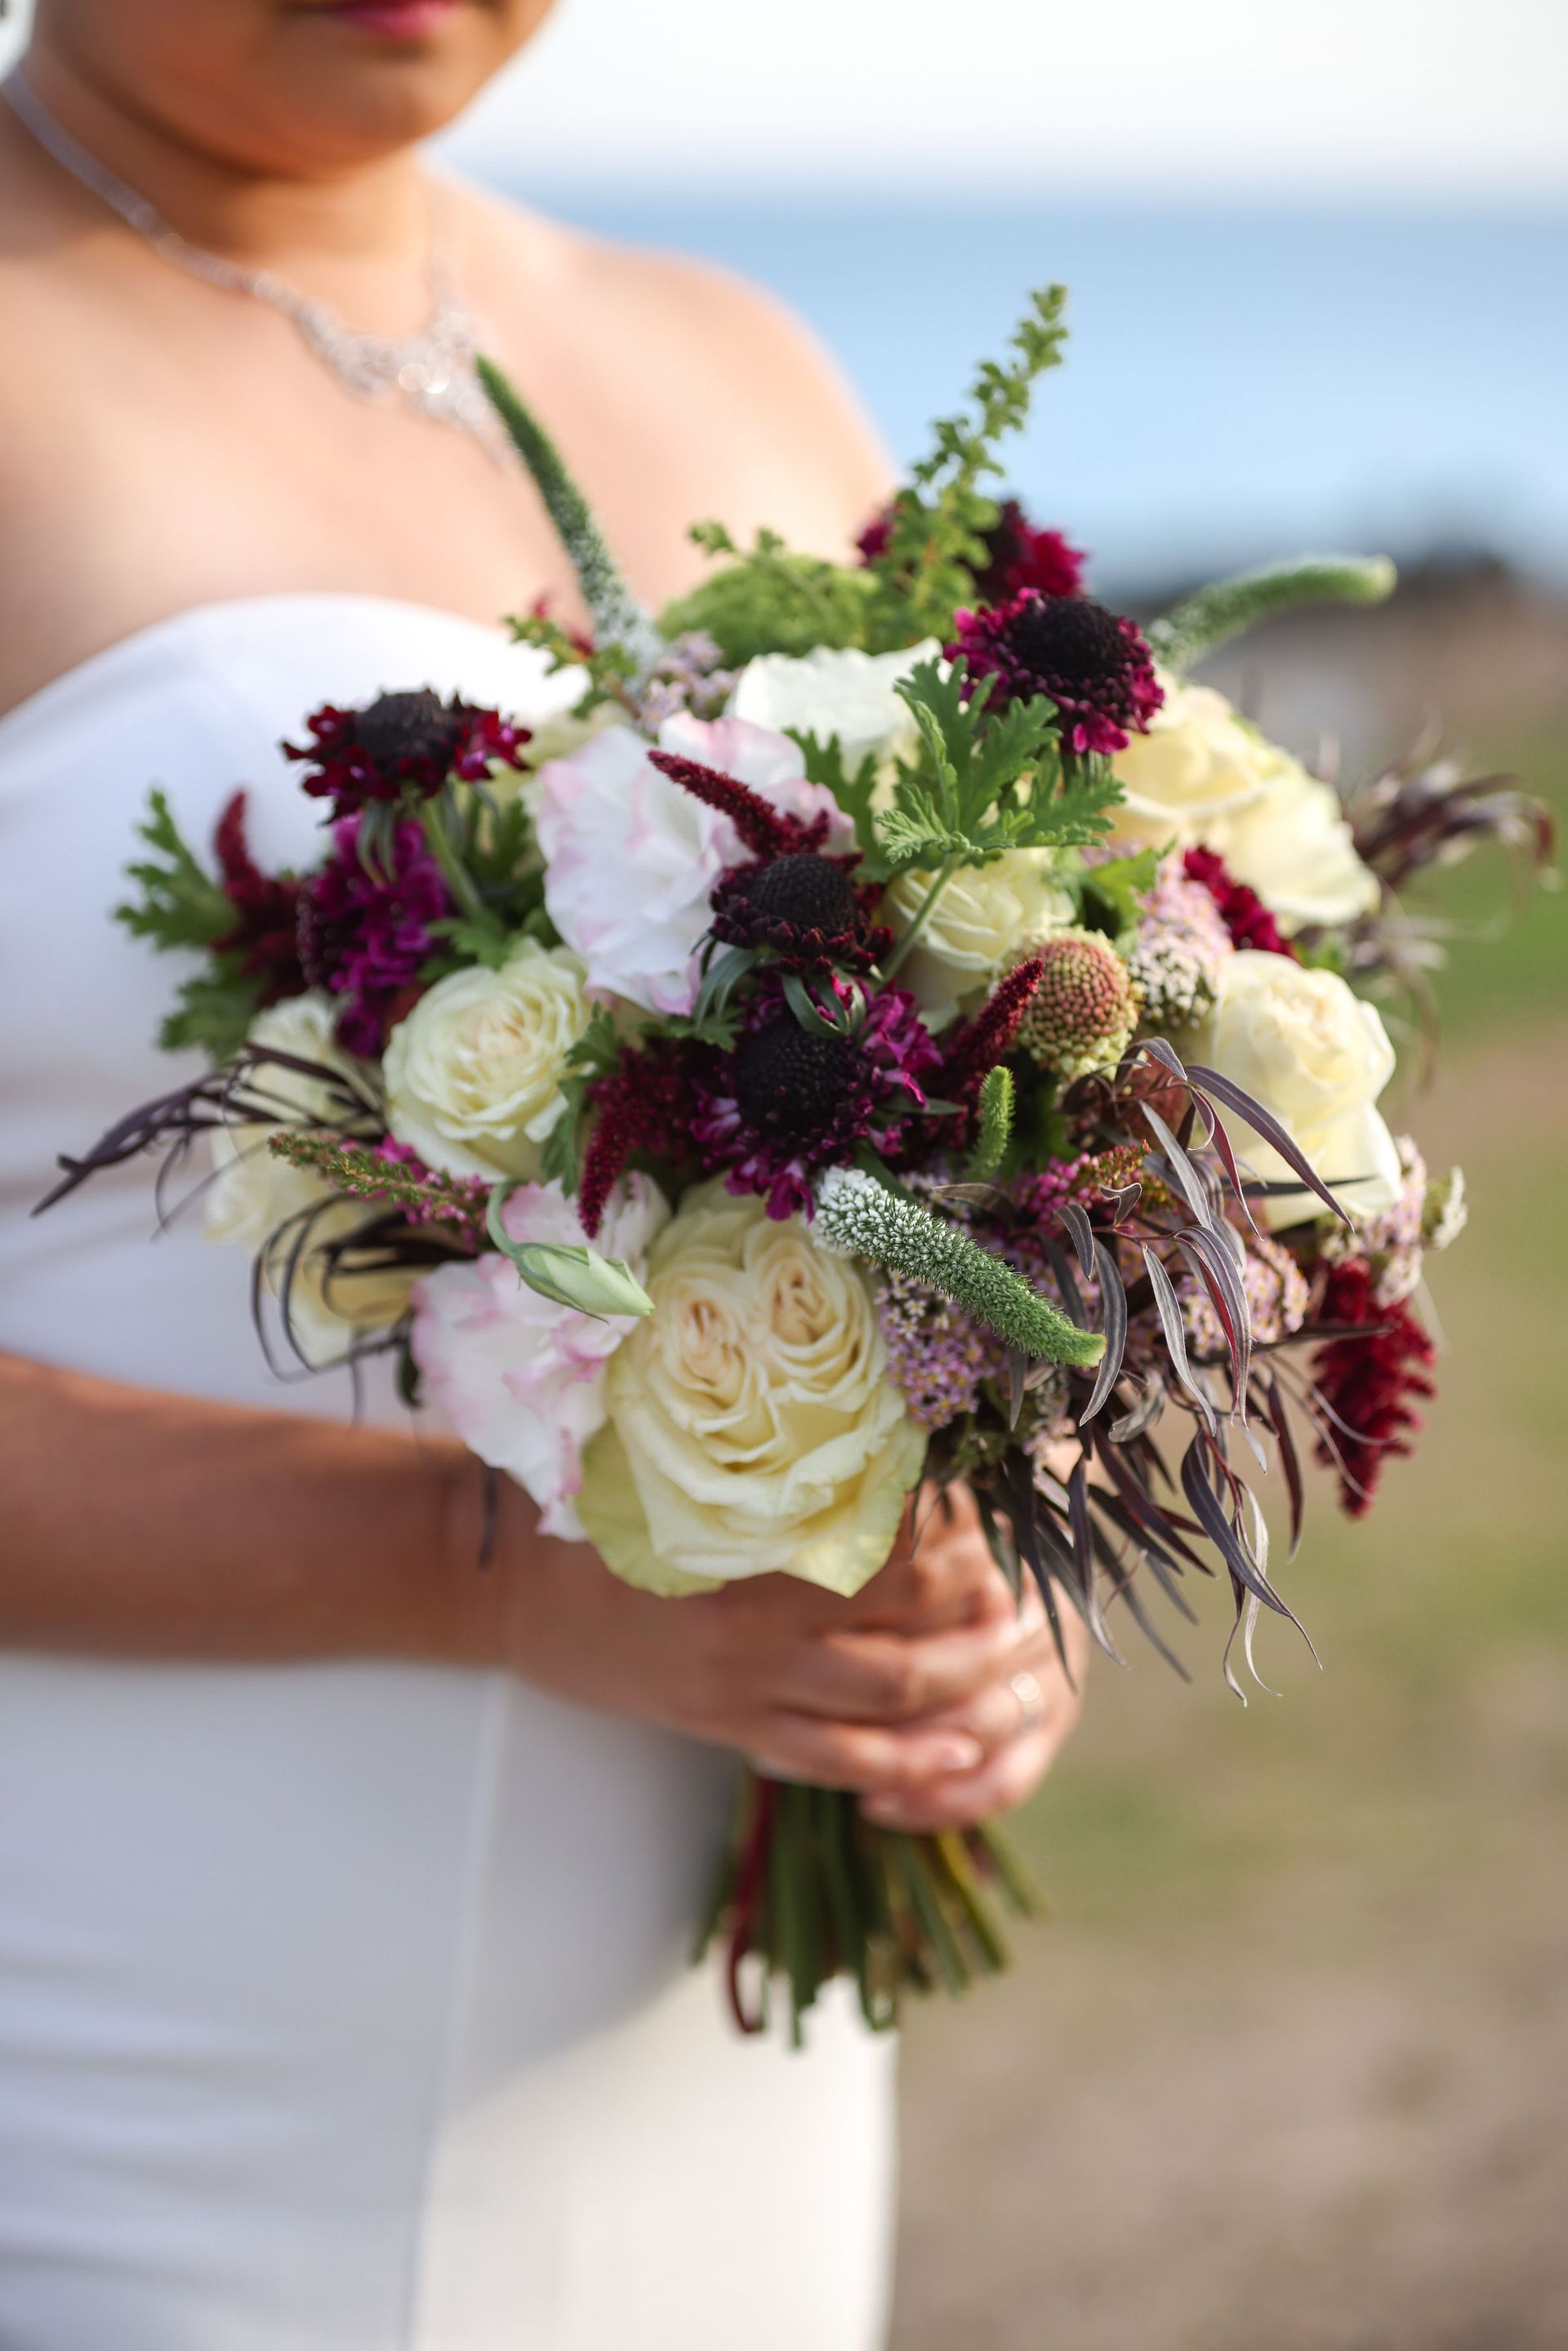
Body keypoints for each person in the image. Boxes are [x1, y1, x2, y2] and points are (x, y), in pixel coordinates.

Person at [0, 5, 1087, 2344]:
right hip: (127, 2013)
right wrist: (486, 1567)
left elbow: (1010, 1074)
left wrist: (998, 1536)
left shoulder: (735, 358)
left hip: (703, 2021)